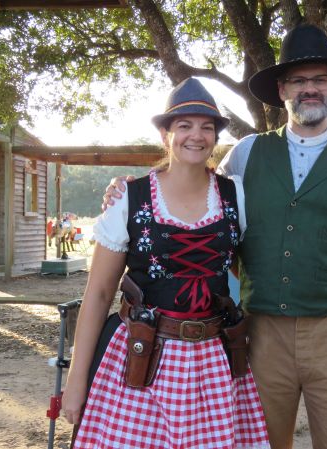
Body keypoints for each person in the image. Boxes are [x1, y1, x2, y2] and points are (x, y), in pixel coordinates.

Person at [103, 24, 327, 449]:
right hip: (261, 336)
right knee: (257, 442)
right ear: (282, 90)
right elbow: (196, 195)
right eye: (298, 80)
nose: (309, 89)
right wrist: (131, 190)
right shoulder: (246, 154)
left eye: (319, 79)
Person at [62, 77, 270, 449]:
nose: (197, 135)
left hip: (213, 359)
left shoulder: (234, 194)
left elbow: (248, 266)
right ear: (165, 134)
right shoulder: (130, 197)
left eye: (207, 127)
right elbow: (99, 293)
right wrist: (77, 380)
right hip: (141, 356)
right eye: (184, 125)